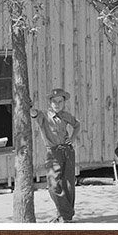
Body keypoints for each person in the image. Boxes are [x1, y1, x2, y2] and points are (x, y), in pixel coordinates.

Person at [30, 87, 80, 222]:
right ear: (50, 103)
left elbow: (77, 125)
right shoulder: (44, 116)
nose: (57, 104)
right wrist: (32, 109)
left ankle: (64, 218)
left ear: (64, 103)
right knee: (53, 186)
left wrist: (73, 139)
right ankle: (67, 213)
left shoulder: (66, 115)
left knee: (68, 185)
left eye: (60, 101)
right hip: (53, 152)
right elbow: (34, 114)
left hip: (68, 151)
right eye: (54, 101)